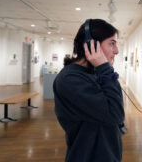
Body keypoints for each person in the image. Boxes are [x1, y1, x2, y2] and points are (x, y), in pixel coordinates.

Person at [53, 19, 125, 162]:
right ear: (91, 45)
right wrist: (105, 68)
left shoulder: (94, 73)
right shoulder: (70, 79)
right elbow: (116, 114)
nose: (116, 51)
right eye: (112, 43)